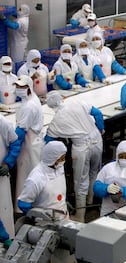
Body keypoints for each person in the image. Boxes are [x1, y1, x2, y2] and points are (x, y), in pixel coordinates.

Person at [45, 91, 104, 223]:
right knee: (94, 172)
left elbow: (48, 140)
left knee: (80, 181)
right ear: (62, 98)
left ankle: (80, 215)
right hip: (97, 140)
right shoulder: (77, 103)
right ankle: (90, 200)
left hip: (82, 148)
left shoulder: (56, 121)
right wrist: (101, 129)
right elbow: (98, 113)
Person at [13, 75, 44, 212]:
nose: (18, 89)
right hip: (33, 142)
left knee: (26, 178)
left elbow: (20, 133)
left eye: (22, 87)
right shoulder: (31, 99)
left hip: (29, 146)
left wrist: (10, 153)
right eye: (17, 86)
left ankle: (24, 210)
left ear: (29, 87)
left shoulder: (29, 106)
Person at [94, 140, 126, 216]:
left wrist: (123, 191)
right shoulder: (108, 168)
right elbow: (96, 187)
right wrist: (106, 188)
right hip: (108, 209)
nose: (124, 159)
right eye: (121, 156)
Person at [17, 141, 69, 219]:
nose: (63, 161)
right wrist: (38, 216)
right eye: (61, 158)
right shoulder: (36, 178)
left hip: (64, 216)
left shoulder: (59, 167)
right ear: (53, 158)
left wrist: (63, 201)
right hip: (45, 223)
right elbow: (23, 203)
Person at [0, 113, 21, 238]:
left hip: (1, 177)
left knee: (3, 208)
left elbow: (15, 144)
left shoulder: (3, 123)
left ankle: (7, 237)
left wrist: (8, 163)